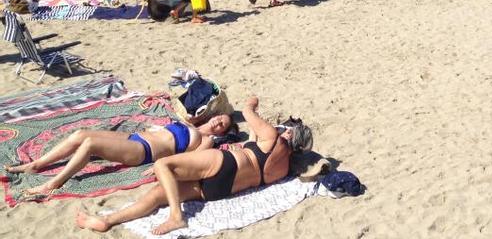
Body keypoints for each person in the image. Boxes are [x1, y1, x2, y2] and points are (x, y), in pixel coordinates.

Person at [75, 96, 312, 235]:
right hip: (220, 190)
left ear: (290, 133)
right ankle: (108, 221)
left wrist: (251, 103)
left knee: (163, 166)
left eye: (287, 126)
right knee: (159, 195)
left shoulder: (272, 134)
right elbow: (253, 147)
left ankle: (177, 217)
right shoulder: (282, 168)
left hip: (225, 164)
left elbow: (249, 112)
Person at [7, 113, 233, 196]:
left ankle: (53, 183)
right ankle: (37, 164)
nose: (218, 122)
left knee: (89, 145)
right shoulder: (192, 122)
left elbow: (190, 160)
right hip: (136, 137)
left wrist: (161, 166)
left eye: (223, 124)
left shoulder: (206, 140)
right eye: (219, 117)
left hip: (143, 151)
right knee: (80, 134)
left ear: (222, 131)